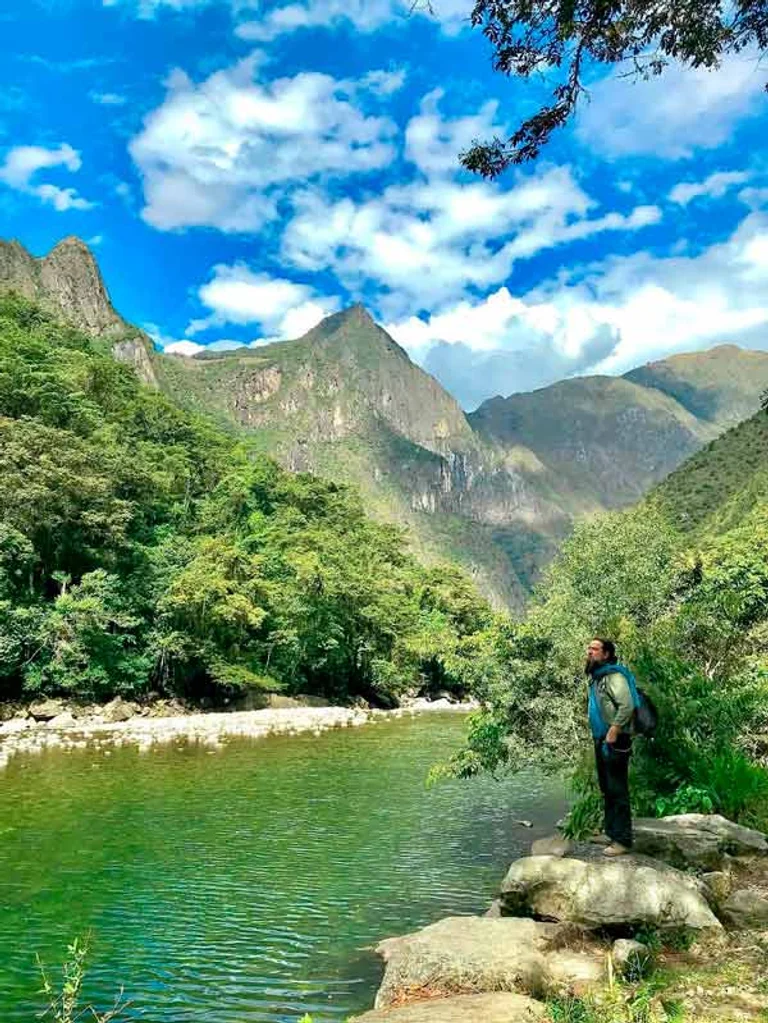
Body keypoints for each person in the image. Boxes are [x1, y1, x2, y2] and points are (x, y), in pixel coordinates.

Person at [585, 637, 634, 857]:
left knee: (617, 789)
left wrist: (614, 730)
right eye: (589, 649)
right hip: (602, 739)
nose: (589, 652)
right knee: (607, 788)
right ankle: (611, 832)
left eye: (595, 649)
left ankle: (622, 840)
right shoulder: (598, 677)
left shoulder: (614, 677)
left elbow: (627, 705)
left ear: (606, 654)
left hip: (615, 740)